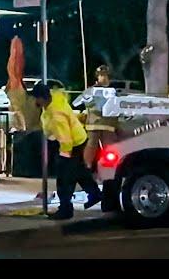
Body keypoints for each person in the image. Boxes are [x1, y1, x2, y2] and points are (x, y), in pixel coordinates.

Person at [30, 83, 102, 220]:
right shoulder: (54, 101)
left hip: (71, 144)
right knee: (79, 172)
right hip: (78, 139)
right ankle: (94, 193)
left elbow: (66, 139)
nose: (34, 101)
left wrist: (64, 156)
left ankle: (65, 209)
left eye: (36, 98)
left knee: (65, 178)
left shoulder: (56, 115)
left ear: (42, 98)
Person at [83, 65, 119, 169]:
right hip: (94, 122)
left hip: (109, 123)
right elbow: (85, 102)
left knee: (109, 146)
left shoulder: (113, 91)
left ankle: (109, 167)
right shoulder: (91, 90)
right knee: (91, 144)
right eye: (101, 75)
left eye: (105, 75)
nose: (103, 77)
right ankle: (86, 167)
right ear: (97, 77)